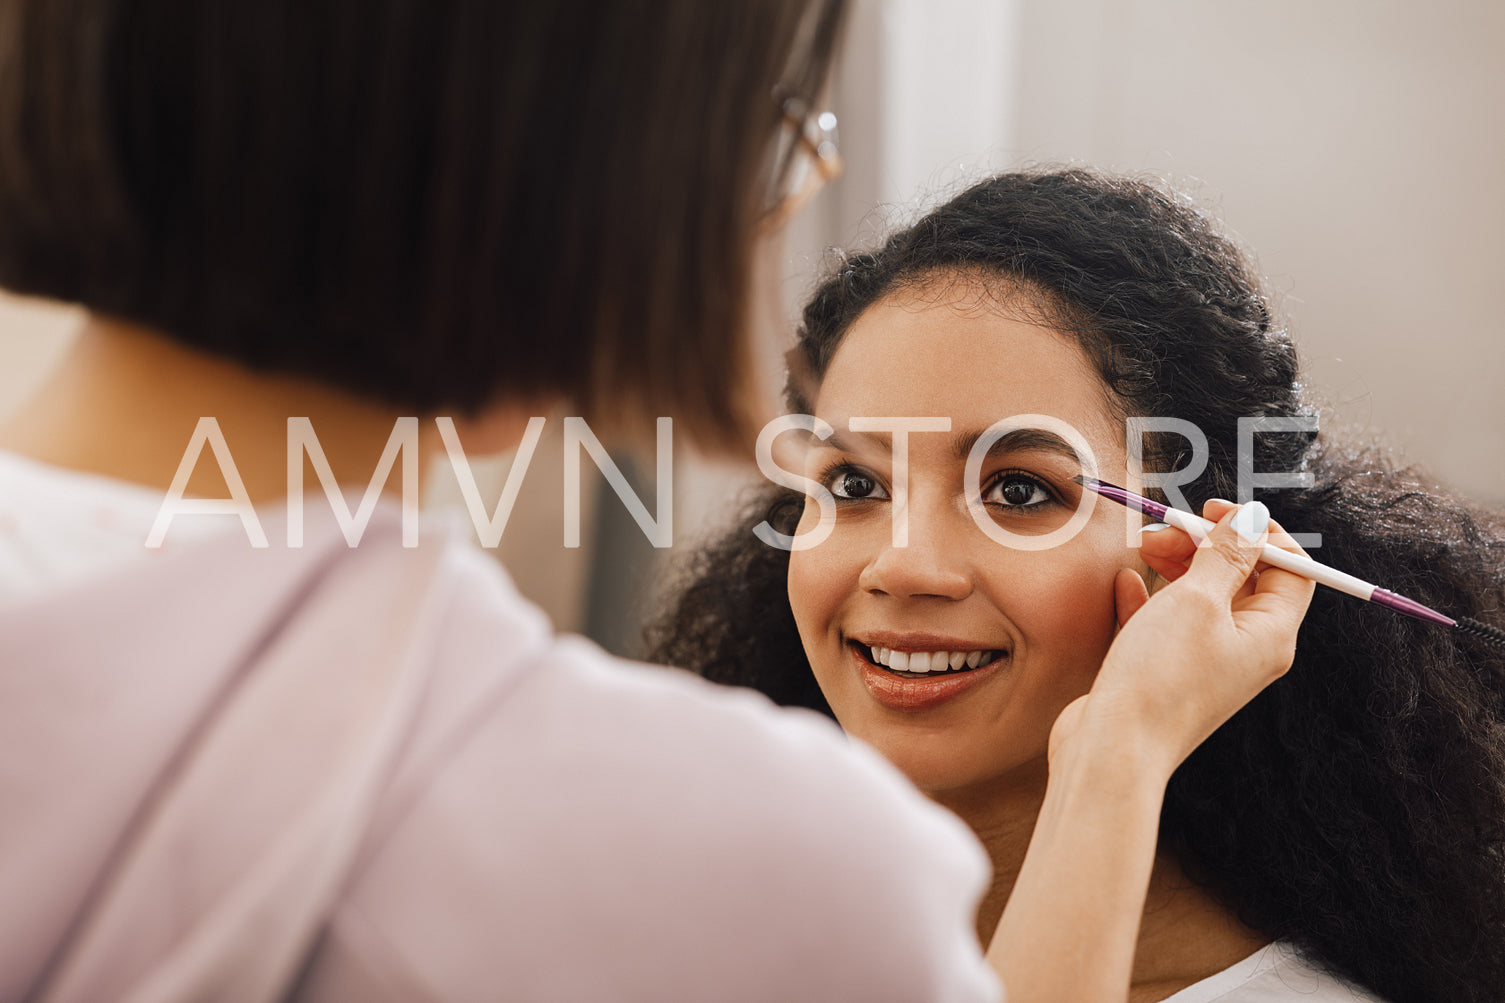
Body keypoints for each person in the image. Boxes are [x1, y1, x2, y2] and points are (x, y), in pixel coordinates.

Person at [0, 3, 1310, 999]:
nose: (904, 559)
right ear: (610, 165)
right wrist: (1117, 758)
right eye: (772, 137)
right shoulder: (760, 869)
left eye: (1016, 485)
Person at [649, 169, 1505, 1002]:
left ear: (1201, 558)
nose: (902, 565)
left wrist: (1118, 753)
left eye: (1019, 490)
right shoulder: (702, 945)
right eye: (853, 484)